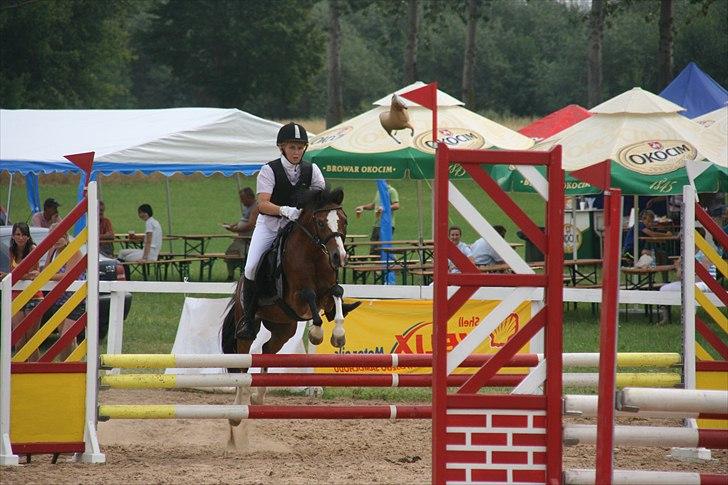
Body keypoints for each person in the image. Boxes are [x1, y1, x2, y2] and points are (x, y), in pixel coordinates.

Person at [236, 122, 325, 340]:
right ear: (282, 147)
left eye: (300, 147)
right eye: (292, 147)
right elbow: (262, 204)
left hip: (298, 228)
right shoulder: (269, 170)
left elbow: (322, 198)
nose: (296, 152)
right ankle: (248, 318)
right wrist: (285, 210)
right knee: (251, 266)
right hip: (269, 226)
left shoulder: (311, 170)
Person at [43, 225, 85, 361]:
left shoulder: (74, 251)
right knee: (66, 339)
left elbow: (68, 275)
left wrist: (45, 276)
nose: (56, 240)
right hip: (59, 299)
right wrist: (50, 252)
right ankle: (70, 366)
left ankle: (68, 367)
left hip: (75, 299)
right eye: (53, 237)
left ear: (66, 237)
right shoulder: (53, 251)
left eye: (59, 236)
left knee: (66, 337)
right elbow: (45, 270)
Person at [2, 223, 43, 360]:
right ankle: (20, 371)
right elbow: (16, 273)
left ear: (28, 236)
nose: (20, 237)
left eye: (24, 234)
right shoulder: (12, 250)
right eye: (18, 234)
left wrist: (11, 275)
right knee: (19, 340)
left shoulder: (33, 248)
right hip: (16, 297)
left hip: (34, 296)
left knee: (31, 341)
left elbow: (34, 273)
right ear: (13, 236)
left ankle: (36, 372)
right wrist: (14, 275)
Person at [117, 204, 163, 280]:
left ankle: (125, 279)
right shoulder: (154, 222)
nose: (139, 215)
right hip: (150, 252)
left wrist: (144, 258)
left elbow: (148, 241)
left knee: (125, 258)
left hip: (149, 254)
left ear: (145, 213)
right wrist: (135, 237)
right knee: (122, 252)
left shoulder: (149, 223)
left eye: (140, 213)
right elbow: (148, 237)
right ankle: (122, 276)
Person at [222, 188, 259, 281]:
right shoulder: (247, 208)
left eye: (243, 199)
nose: (242, 201)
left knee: (235, 253)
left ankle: (241, 274)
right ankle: (231, 274)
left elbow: (250, 225)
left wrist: (235, 229)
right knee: (229, 252)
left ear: (249, 197)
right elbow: (244, 220)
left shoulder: (256, 207)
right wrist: (234, 224)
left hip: (248, 239)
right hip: (241, 237)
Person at [354, 181, 400, 254]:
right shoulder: (379, 191)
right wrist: (363, 207)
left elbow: (396, 205)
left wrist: (384, 208)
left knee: (382, 249)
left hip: (387, 225)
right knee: (373, 249)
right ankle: (374, 264)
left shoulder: (391, 191)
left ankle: (385, 264)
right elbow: (373, 205)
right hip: (377, 225)